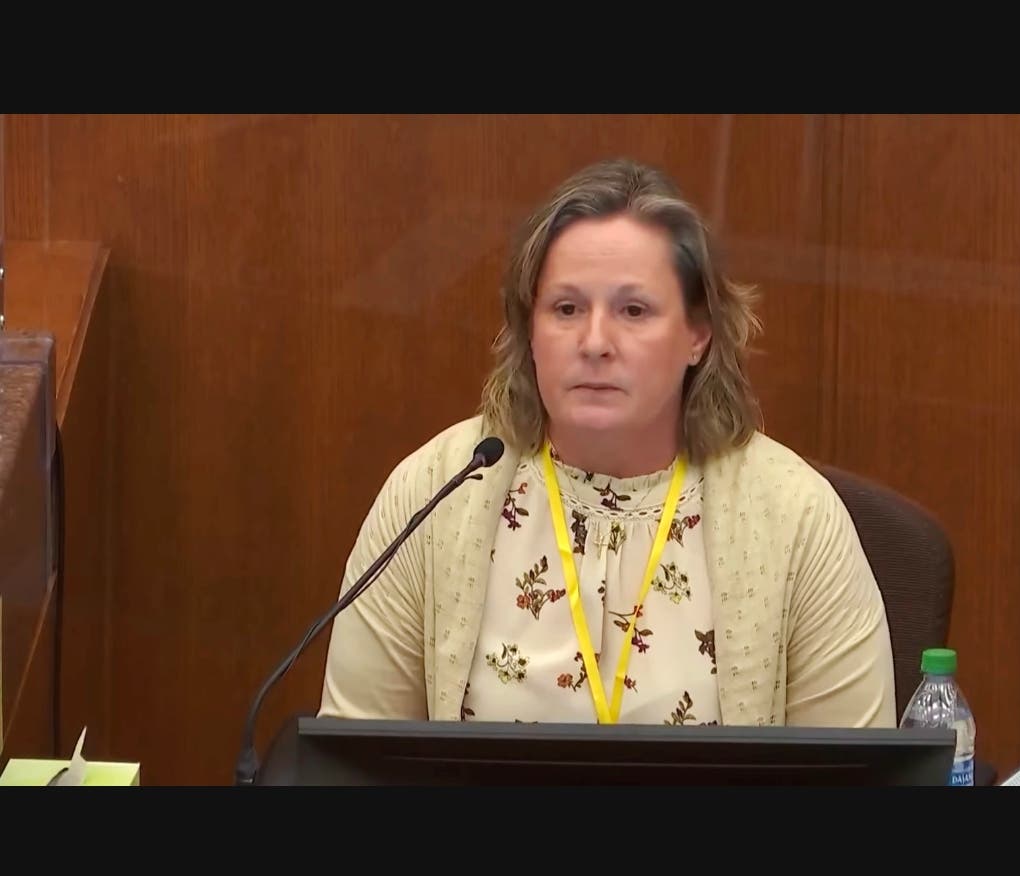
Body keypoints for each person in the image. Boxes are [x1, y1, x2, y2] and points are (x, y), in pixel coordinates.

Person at [318, 158, 896, 729]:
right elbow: (353, 762)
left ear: (698, 333)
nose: (595, 341)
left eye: (633, 310)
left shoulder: (796, 516)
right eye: (566, 309)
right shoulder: (433, 495)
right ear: (530, 329)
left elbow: (853, 776)